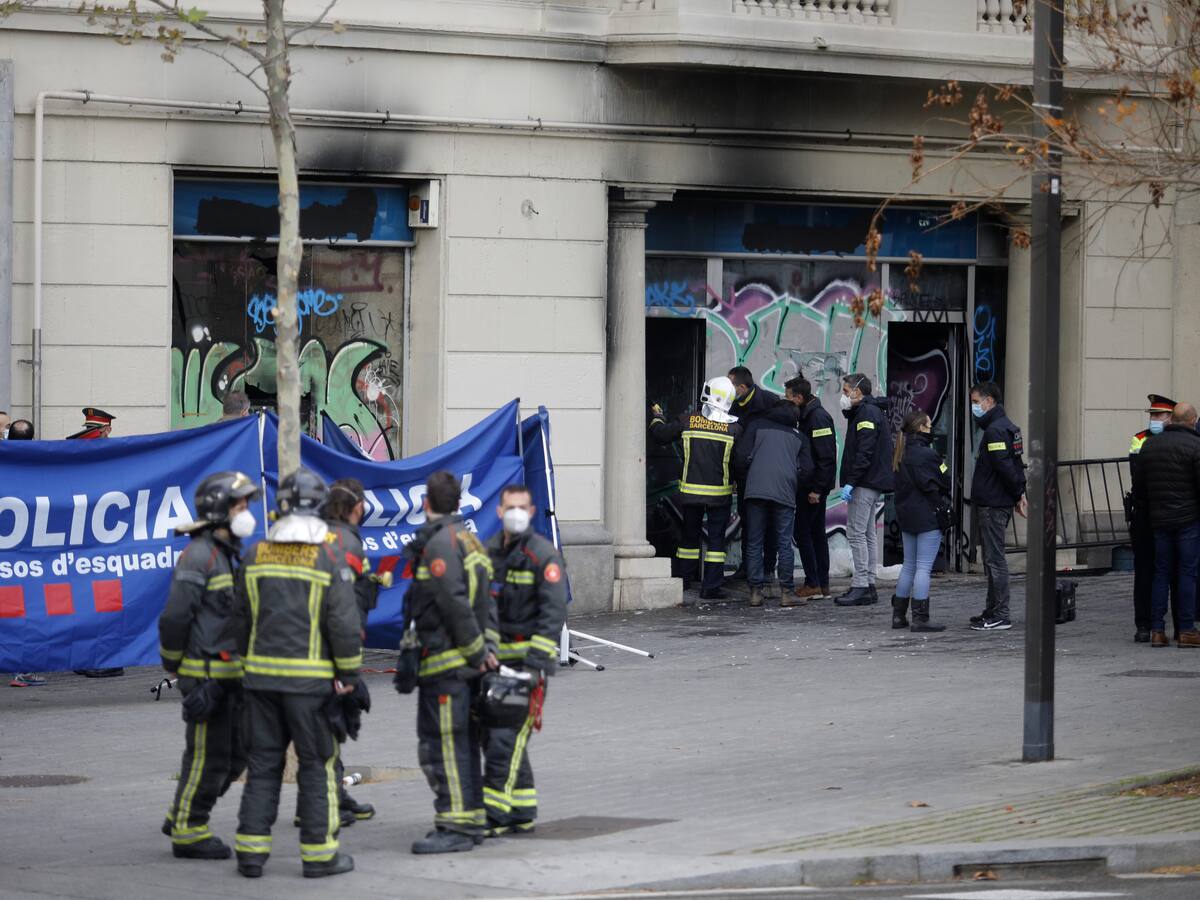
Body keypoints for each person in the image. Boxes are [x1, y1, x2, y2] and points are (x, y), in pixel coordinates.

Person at [232, 468, 362, 879]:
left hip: (259, 683)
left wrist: (244, 667)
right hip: (310, 686)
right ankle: (320, 855)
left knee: (264, 764)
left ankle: (251, 854)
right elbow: (342, 623)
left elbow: (239, 620)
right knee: (317, 765)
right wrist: (349, 674)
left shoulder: (254, 556)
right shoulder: (328, 556)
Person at [158, 471, 260, 859]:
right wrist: (177, 668)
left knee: (236, 757)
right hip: (204, 678)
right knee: (208, 756)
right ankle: (189, 830)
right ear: (220, 510)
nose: (246, 512)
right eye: (240, 505)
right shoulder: (200, 555)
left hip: (229, 677)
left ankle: (181, 811)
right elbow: (175, 618)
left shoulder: (229, 554)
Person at [405, 471, 496, 854]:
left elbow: (453, 604)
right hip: (464, 663)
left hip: (447, 664)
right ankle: (470, 817)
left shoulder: (441, 545)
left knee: (442, 745)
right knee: (462, 744)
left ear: (426, 503)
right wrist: (486, 651)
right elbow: (488, 604)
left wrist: (477, 652)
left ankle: (455, 826)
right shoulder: (470, 540)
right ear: (459, 502)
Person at [483, 484, 568, 835]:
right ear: (500, 512)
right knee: (499, 738)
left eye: (522, 506)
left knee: (506, 740)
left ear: (531, 512)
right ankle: (522, 809)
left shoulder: (543, 555)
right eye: (509, 507)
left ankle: (493, 814)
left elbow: (552, 614)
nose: (516, 512)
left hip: (526, 669)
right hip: (495, 664)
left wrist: (535, 666)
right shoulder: (489, 553)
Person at [317, 478, 381, 827]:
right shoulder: (344, 540)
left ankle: (331, 796)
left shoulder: (330, 533)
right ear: (356, 505)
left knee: (329, 728)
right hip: (332, 648)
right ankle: (322, 804)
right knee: (329, 726)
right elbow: (346, 604)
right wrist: (349, 666)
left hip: (323, 644)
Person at [649, 377, 742, 600]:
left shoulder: (688, 420)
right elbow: (739, 462)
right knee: (716, 544)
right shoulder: (734, 429)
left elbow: (660, 435)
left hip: (691, 494)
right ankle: (711, 587)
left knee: (689, 539)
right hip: (719, 495)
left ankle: (684, 580)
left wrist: (657, 418)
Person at [733, 398, 813, 607]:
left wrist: (746, 479)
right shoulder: (799, 437)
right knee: (784, 543)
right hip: (785, 492)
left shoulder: (756, 426)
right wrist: (793, 482)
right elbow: (807, 469)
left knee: (754, 541)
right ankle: (786, 593)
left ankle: (755, 593)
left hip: (755, 490)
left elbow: (740, 457)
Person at [1132, 403, 1200, 648]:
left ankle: (1157, 630)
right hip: (1188, 520)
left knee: (1160, 573)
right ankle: (1186, 629)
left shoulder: (1149, 446)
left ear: (1172, 420)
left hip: (1159, 520)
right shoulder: (1195, 446)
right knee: (1187, 573)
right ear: (1192, 421)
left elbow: (1139, 487)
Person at [68, 408, 125, 676]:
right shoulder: (104, 455)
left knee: (83, 602)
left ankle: (84, 658)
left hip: (79, 544)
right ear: (103, 430)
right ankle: (100, 661)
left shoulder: (72, 451)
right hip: (101, 543)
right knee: (104, 603)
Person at [966, 382, 1027, 631]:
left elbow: (1005, 467)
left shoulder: (995, 431)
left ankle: (1001, 613)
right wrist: (1019, 493)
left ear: (989, 401)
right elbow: (1016, 464)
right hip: (998, 500)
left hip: (993, 503)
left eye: (975, 401)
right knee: (992, 559)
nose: (973, 407)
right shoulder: (1006, 427)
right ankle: (992, 609)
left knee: (994, 560)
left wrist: (1018, 494)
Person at [834, 374, 894, 607]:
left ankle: (861, 585)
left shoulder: (867, 414)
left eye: (846, 390)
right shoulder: (867, 412)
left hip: (864, 482)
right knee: (867, 533)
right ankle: (868, 583)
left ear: (858, 392)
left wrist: (852, 481)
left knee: (856, 533)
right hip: (869, 482)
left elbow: (865, 451)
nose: (844, 395)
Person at [891, 411, 950, 632]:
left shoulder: (900, 452)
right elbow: (944, 480)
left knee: (909, 566)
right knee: (923, 568)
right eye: (929, 425)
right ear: (920, 428)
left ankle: (898, 616)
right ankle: (920, 618)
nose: (931, 428)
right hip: (927, 515)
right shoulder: (929, 455)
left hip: (906, 514)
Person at [1128, 394, 1179, 643]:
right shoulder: (1140, 440)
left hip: (1168, 513)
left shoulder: (1182, 439)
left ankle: (1179, 626)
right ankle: (1144, 624)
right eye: (1152, 415)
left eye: (1159, 415)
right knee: (1146, 571)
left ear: (1171, 417)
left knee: (1175, 572)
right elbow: (1137, 477)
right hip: (1148, 514)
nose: (1154, 419)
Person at [784, 377, 836, 603]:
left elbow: (826, 458)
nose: (787, 401)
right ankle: (821, 583)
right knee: (815, 533)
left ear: (798, 397)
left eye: (788, 397)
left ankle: (814, 582)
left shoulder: (818, 418)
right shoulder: (808, 415)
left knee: (802, 532)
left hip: (813, 488)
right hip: (812, 486)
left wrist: (817, 489)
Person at [727, 367, 779, 582]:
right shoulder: (731, 405)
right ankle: (747, 567)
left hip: (766, 472)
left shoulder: (769, 401)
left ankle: (767, 569)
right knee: (747, 523)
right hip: (744, 475)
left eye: (731, 385)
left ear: (742, 387)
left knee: (770, 525)